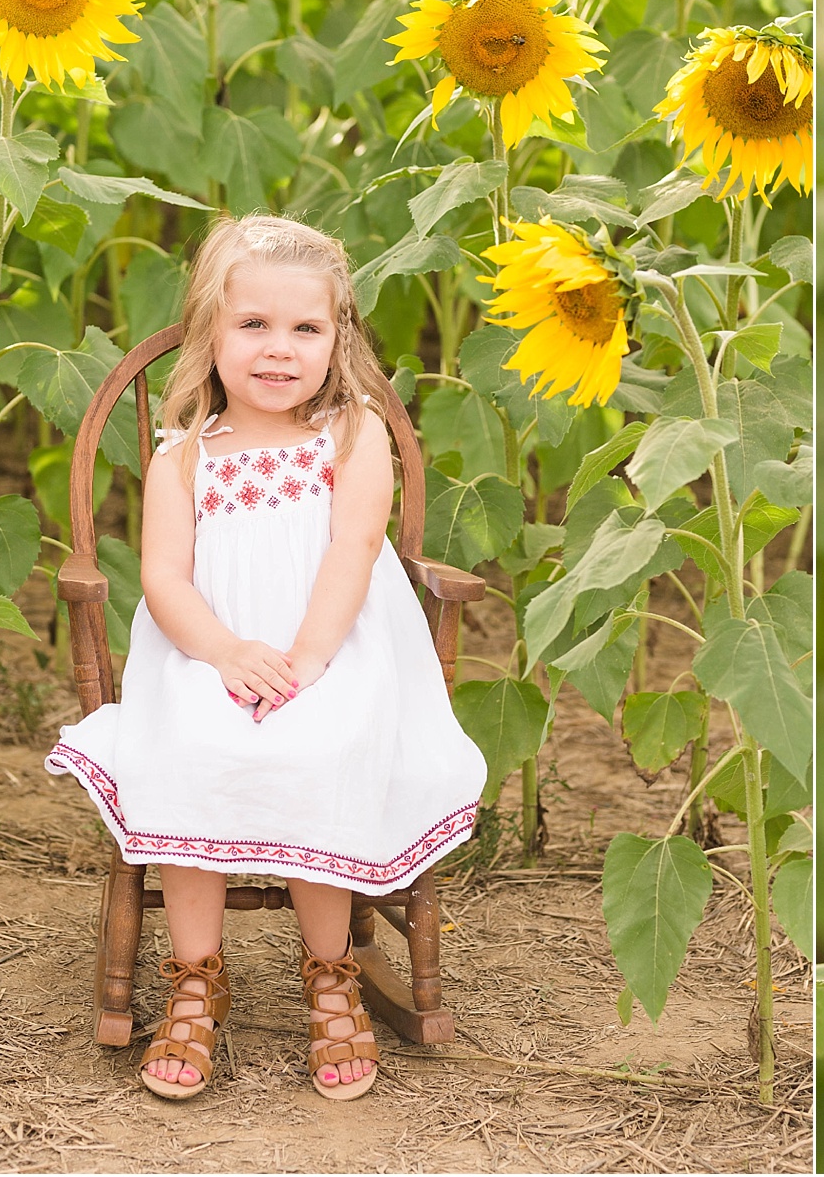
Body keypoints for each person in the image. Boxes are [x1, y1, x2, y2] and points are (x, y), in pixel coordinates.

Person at [46, 214, 487, 1102]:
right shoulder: (184, 458)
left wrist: (308, 662)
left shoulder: (353, 437)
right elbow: (164, 579)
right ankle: (195, 976)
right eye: (253, 326)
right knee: (188, 747)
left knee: (322, 746)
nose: (277, 350)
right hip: (209, 653)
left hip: (334, 649)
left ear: (338, 339)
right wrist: (223, 653)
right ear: (211, 333)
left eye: (305, 329)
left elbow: (353, 553)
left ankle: (331, 970)